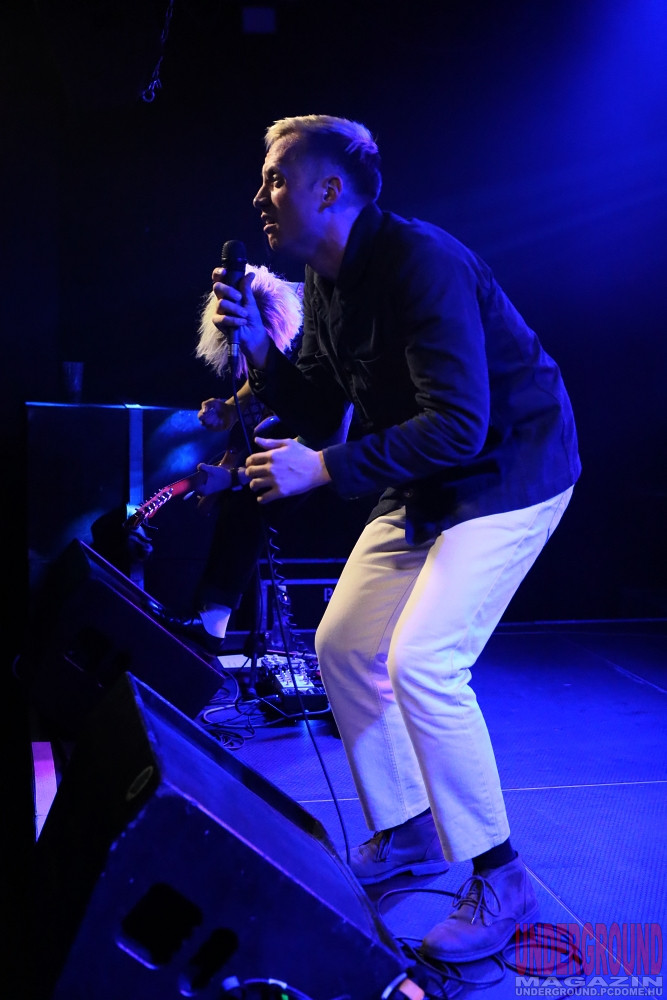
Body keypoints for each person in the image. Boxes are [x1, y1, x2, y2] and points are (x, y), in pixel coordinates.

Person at [209, 114, 581, 965]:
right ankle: (408, 827)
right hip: (427, 475)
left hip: (509, 468)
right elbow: (315, 405)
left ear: (328, 189)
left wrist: (323, 469)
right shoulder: (328, 279)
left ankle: (503, 877)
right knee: (342, 645)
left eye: (275, 177)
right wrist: (261, 349)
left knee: (423, 660)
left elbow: (458, 424)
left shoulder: (422, 262)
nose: (260, 195)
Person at [154, 264, 303, 656]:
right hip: (293, 444)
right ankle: (210, 618)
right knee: (233, 498)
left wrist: (234, 477)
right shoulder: (275, 339)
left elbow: (307, 442)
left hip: (332, 454)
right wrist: (228, 410)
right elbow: (262, 378)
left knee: (248, 499)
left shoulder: (311, 341)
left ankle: (212, 624)